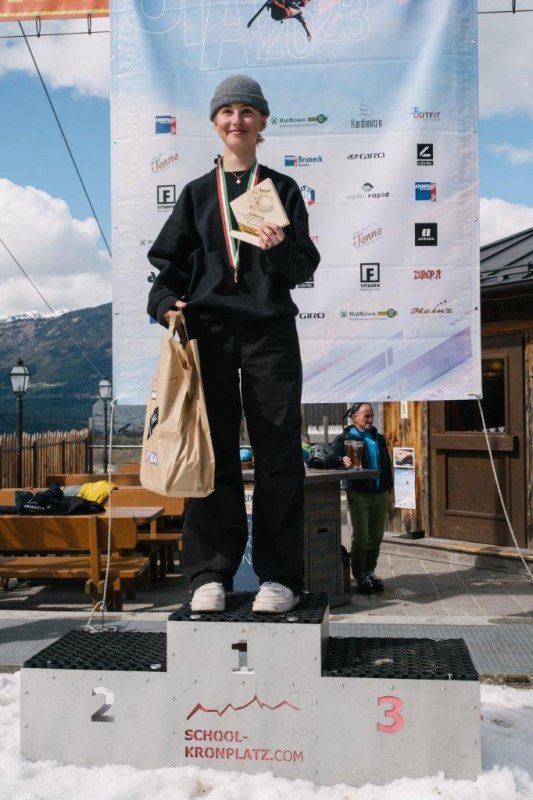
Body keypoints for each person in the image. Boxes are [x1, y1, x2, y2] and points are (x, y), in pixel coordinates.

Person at [147, 74, 320, 614]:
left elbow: (303, 267)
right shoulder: (199, 193)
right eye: (227, 112)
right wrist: (164, 303)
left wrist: (278, 248)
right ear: (215, 122)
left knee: (278, 454)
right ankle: (209, 574)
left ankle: (280, 577)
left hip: (270, 333)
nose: (237, 120)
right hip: (211, 335)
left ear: (262, 122)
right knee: (211, 452)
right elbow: (168, 269)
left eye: (247, 111)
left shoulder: (282, 189)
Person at [332, 403, 393, 594]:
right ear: (354, 417)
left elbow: (386, 463)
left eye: (372, 415)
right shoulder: (344, 438)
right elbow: (329, 457)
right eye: (366, 416)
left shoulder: (378, 438)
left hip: (380, 493)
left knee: (376, 536)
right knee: (361, 536)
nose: (370, 419)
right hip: (358, 492)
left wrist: (389, 487)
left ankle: (370, 570)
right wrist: (340, 460)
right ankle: (359, 574)